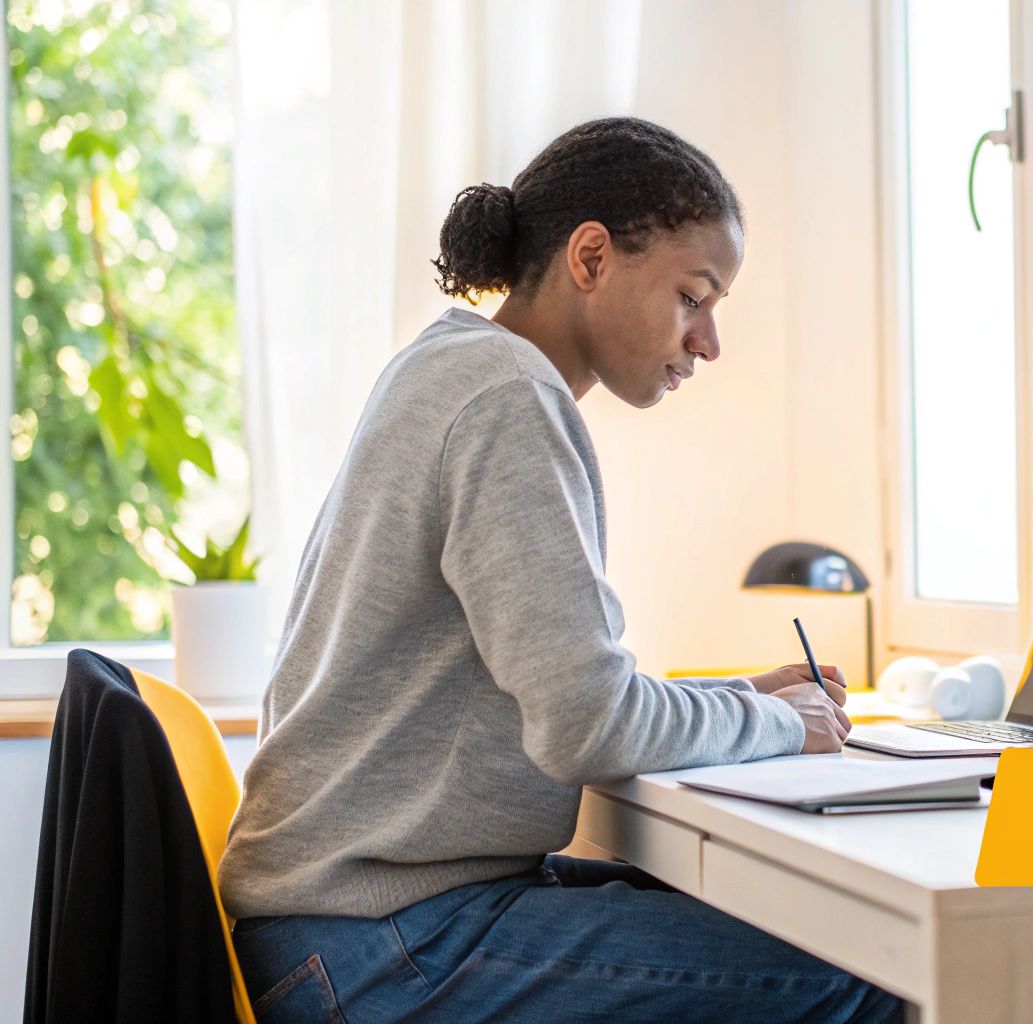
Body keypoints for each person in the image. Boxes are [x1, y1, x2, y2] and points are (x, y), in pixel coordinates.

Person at [218, 117, 903, 1023]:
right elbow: (588, 725)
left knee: (812, 928)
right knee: (866, 974)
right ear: (590, 258)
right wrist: (774, 722)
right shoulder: (508, 399)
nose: (709, 342)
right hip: (381, 947)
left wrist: (747, 699)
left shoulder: (454, 364)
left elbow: (570, 694)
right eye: (694, 297)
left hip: (352, 925)